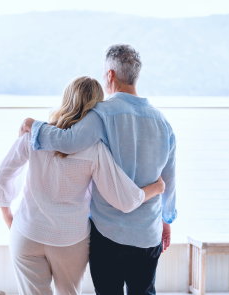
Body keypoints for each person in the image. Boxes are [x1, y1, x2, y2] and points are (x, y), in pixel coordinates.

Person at [20, 44, 176, 295]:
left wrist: (33, 126)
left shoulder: (100, 114)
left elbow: (69, 141)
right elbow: (168, 178)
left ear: (110, 75)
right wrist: (166, 220)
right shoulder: (163, 123)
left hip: (108, 234)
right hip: (148, 232)